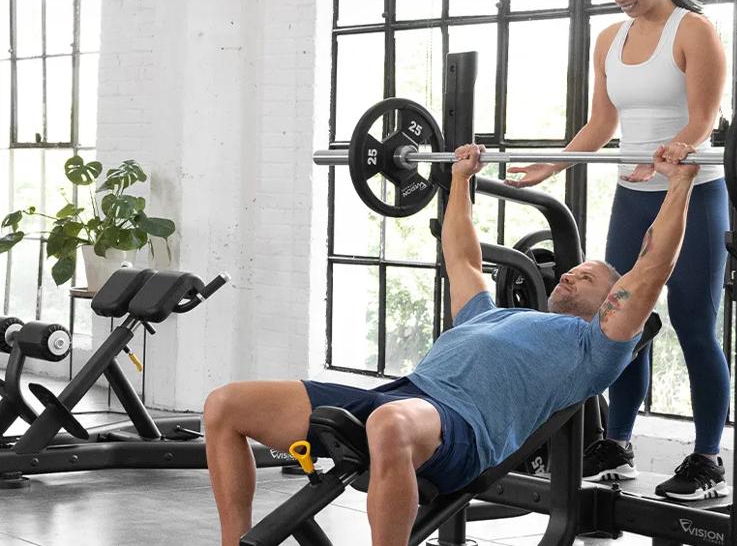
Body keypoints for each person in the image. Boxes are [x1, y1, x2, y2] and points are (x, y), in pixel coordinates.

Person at [203, 143, 700, 546]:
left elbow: (652, 266)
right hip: (403, 397)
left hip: (463, 432)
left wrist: (678, 183)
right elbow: (462, 257)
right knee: (226, 405)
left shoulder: (595, 345)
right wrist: (460, 179)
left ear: (610, 299)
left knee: (389, 421)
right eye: (572, 269)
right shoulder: (495, 314)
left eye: (587, 276)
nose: (571, 272)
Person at [506, 0, 730, 501]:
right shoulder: (609, 38)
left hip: (695, 192)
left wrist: (674, 154)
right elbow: (602, 125)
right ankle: (618, 445)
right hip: (633, 193)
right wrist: (550, 168)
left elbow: (704, 120)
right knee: (620, 318)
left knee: (694, 325)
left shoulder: (696, 31)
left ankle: (707, 460)